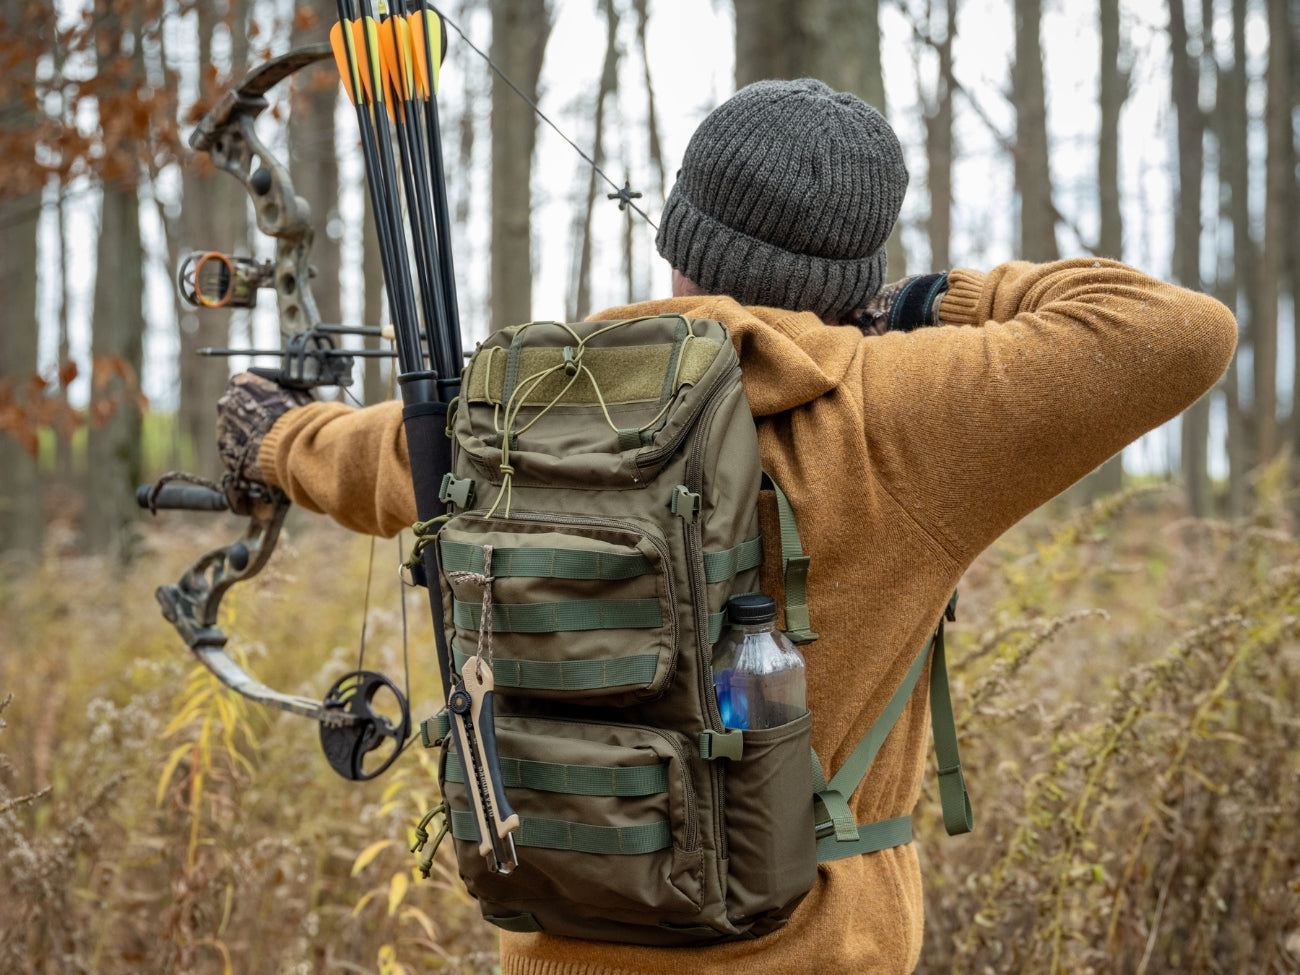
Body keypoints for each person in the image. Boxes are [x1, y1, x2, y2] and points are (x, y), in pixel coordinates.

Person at [217, 78, 1237, 974]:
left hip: (557, 948)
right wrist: (931, 300)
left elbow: (378, 455)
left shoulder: (528, 397)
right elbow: (1181, 330)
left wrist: (272, 437)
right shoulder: (899, 411)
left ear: (676, 244)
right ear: (855, 276)